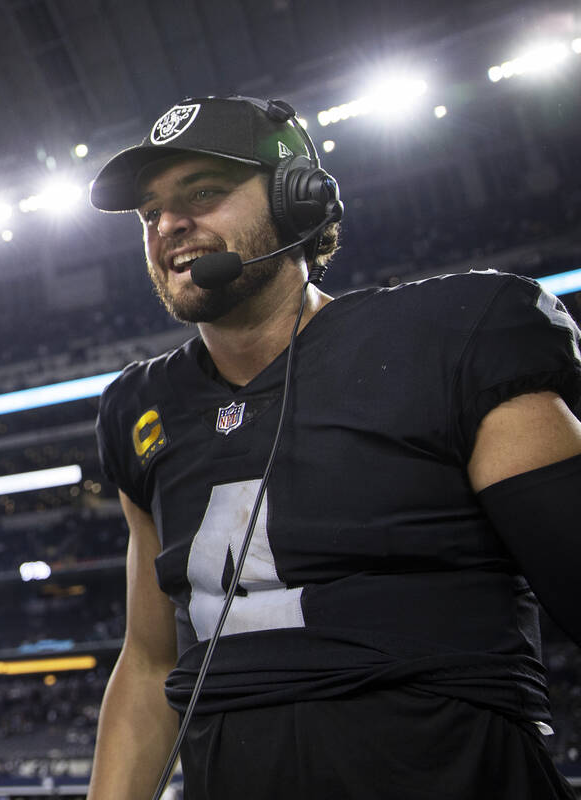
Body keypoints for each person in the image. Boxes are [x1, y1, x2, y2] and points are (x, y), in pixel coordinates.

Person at [86, 95, 581, 799]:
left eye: (204, 192)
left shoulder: (452, 338)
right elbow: (147, 662)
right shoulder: (139, 407)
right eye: (150, 213)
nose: (169, 224)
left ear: (299, 201)